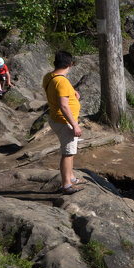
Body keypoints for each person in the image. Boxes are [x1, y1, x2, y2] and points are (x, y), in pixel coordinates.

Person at [43, 51, 82, 194]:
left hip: (55, 118)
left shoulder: (49, 76)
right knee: (68, 153)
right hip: (64, 121)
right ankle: (66, 185)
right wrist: (75, 125)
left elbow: (61, 90)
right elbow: (64, 105)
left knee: (70, 151)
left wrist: (73, 92)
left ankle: (71, 178)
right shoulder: (62, 81)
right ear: (70, 64)